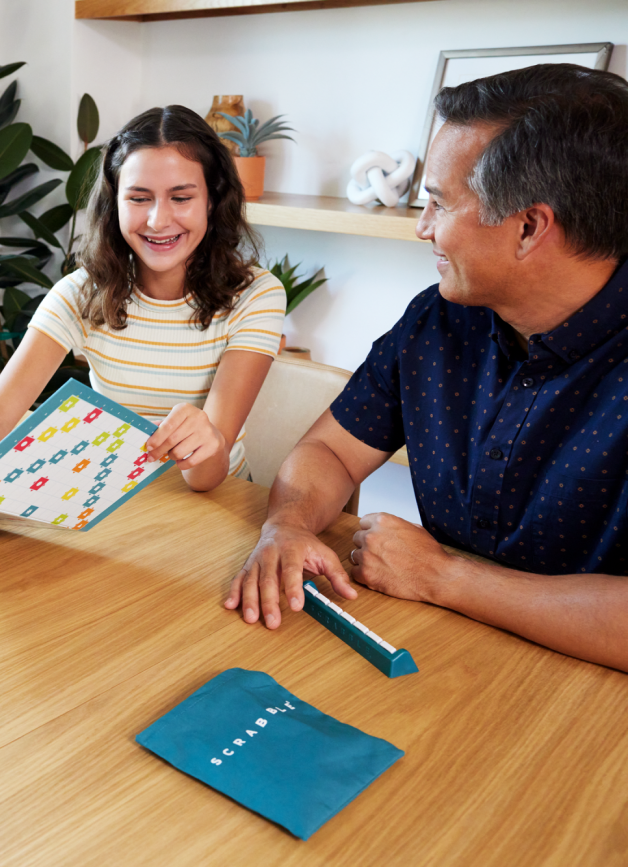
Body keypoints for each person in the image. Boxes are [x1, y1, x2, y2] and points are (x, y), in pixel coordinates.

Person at [226, 64, 628, 672]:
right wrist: (287, 524)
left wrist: (446, 578)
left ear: (529, 227)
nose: (421, 229)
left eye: (438, 203)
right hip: (436, 652)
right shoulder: (438, 321)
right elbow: (329, 452)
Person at [0, 105, 286, 548]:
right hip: (109, 504)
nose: (158, 219)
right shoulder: (81, 293)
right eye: (138, 198)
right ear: (113, 203)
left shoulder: (256, 296)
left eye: (181, 196)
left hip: (216, 511)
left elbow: (209, 475)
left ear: (214, 197)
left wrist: (205, 441)